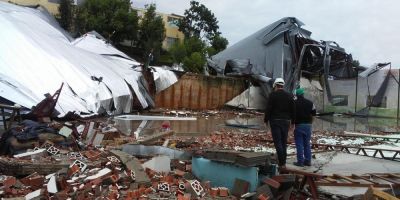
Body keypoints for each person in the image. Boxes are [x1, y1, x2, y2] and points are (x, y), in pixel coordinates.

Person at [264, 78, 296, 168]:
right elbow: (293, 110)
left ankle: (282, 163)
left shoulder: (272, 95)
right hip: (286, 122)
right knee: (283, 142)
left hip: (275, 121)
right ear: (283, 85)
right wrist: (293, 123)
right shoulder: (289, 95)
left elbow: (268, 108)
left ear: (275, 85)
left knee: (278, 142)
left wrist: (266, 120)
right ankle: (283, 162)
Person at [293, 88, 316, 167]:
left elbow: (291, 115)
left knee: (299, 144)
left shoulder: (294, 103)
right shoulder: (310, 103)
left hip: (299, 125)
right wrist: (310, 123)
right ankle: (308, 161)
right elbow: (314, 114)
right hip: (308, 126)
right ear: (303, 94)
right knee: (307, 144)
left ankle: (300, 162)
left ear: (296, 95)